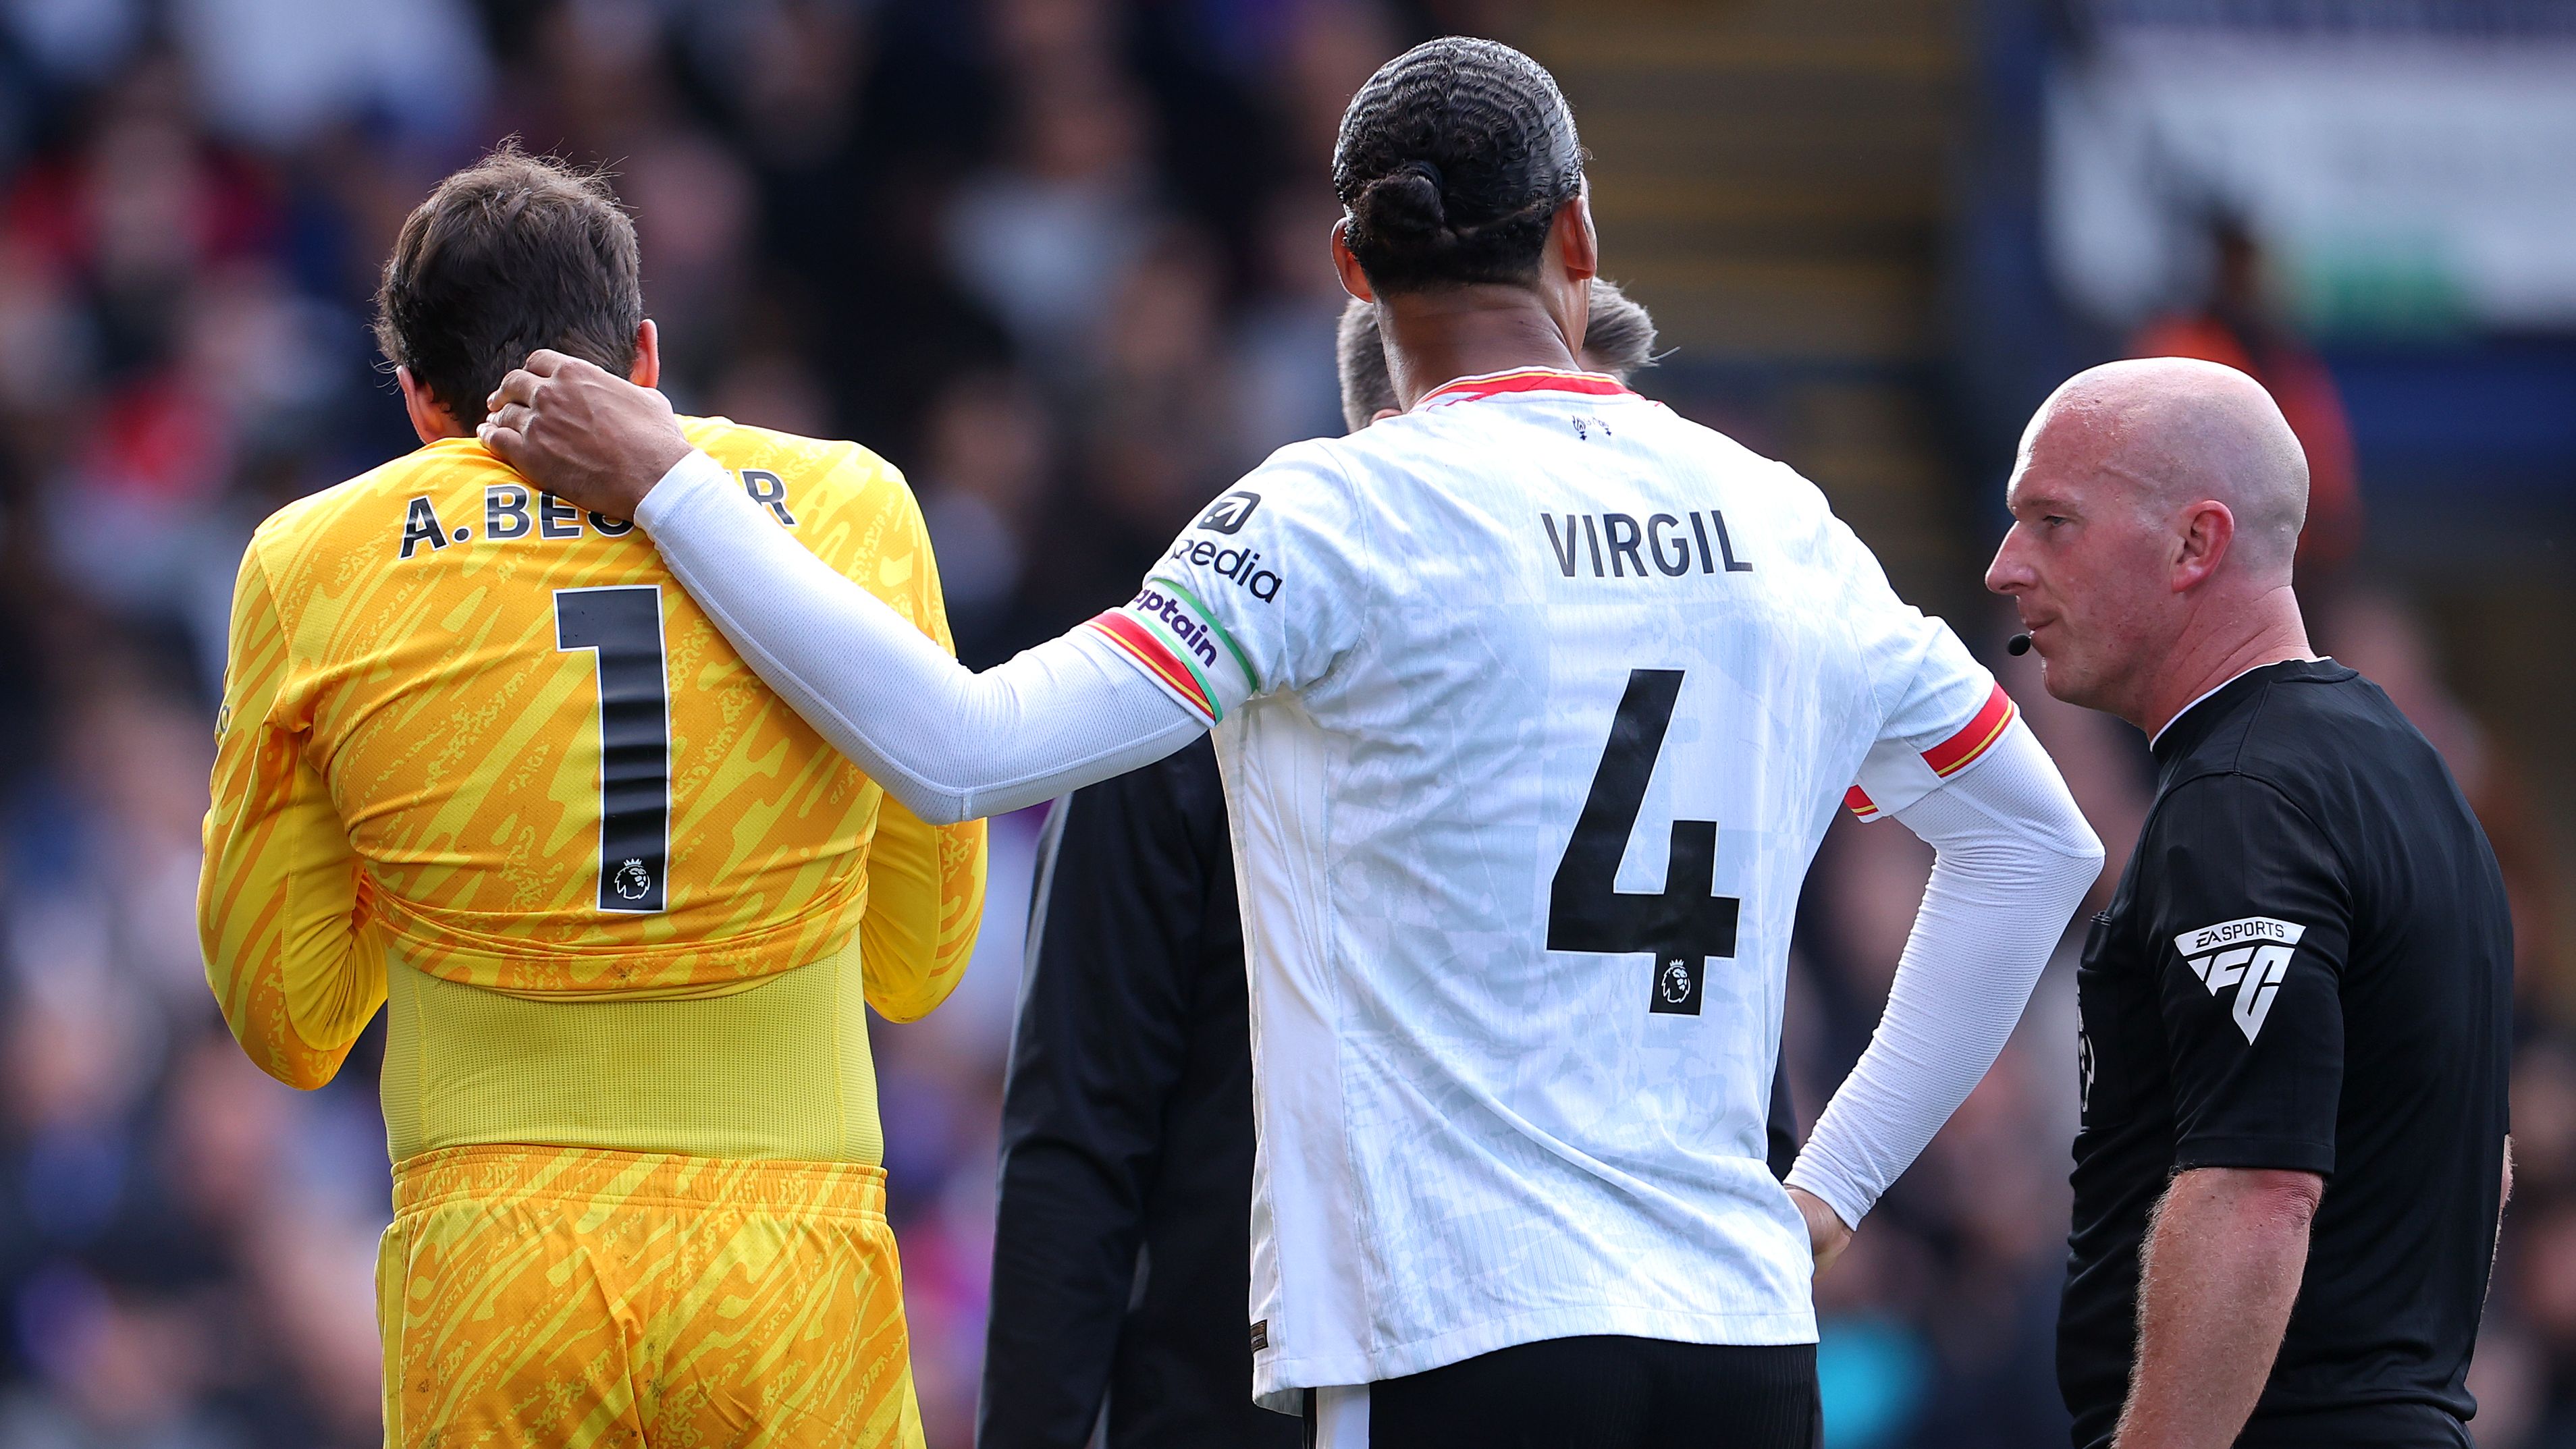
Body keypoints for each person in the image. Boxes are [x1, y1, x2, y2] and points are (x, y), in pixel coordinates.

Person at [483, 37, 2104, 1448]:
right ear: (1578, 237)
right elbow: (2037, 847)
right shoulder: (1782, 519)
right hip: (1740, 1354)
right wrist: (1821, 1195)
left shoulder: (1344, 513)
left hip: (1452, 1338)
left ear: (1348, 266)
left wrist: (674, 479)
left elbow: (959, 747)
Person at [195, 147, 984, 1448]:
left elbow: (287, 1021)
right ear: (647, 356)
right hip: (791, 1268)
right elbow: (921, 960)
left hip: (494, 1271)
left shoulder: (313, 560)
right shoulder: (857, 510)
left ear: (417, 406)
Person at [977, 282, 1800, 1449]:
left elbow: (1737, 1095)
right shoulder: (1179, 709)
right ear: (1393, 448)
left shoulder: (1651, 719)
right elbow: (1079, 1137)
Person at [1985, 357, 2513, 1449]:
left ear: (2196, 545)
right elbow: (2476, 1161)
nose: (2004, 569)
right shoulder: (2403, 769)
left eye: (2053, 522)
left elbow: (2259, 1185)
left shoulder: (2239, 802)